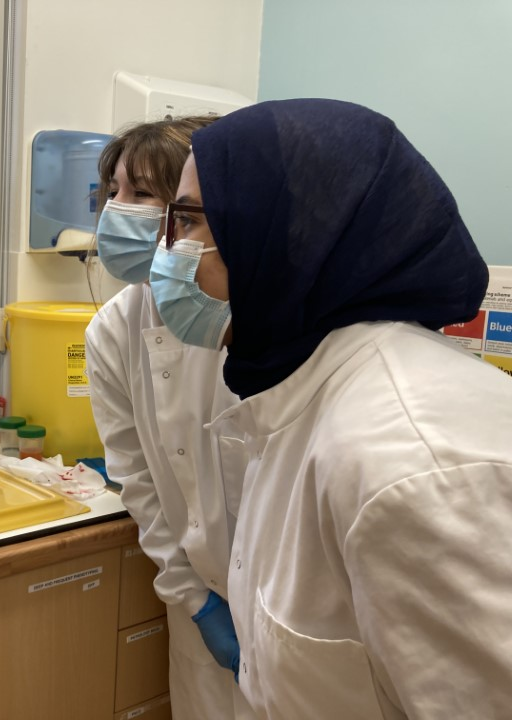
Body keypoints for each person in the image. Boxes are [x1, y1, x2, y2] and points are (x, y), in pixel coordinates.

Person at [150, 97, 512, 718]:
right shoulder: (299, 393)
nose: (168, 249)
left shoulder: (411, 460)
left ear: (276, 235)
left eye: (187, 221)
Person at [85, 116, 254, 720]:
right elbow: (139, 480)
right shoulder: (112, 330)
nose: (118, 210)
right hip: (200, 599)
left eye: (142, 193)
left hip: (285, 592)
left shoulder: (248, 310)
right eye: (113, 191)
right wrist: (196, 601)